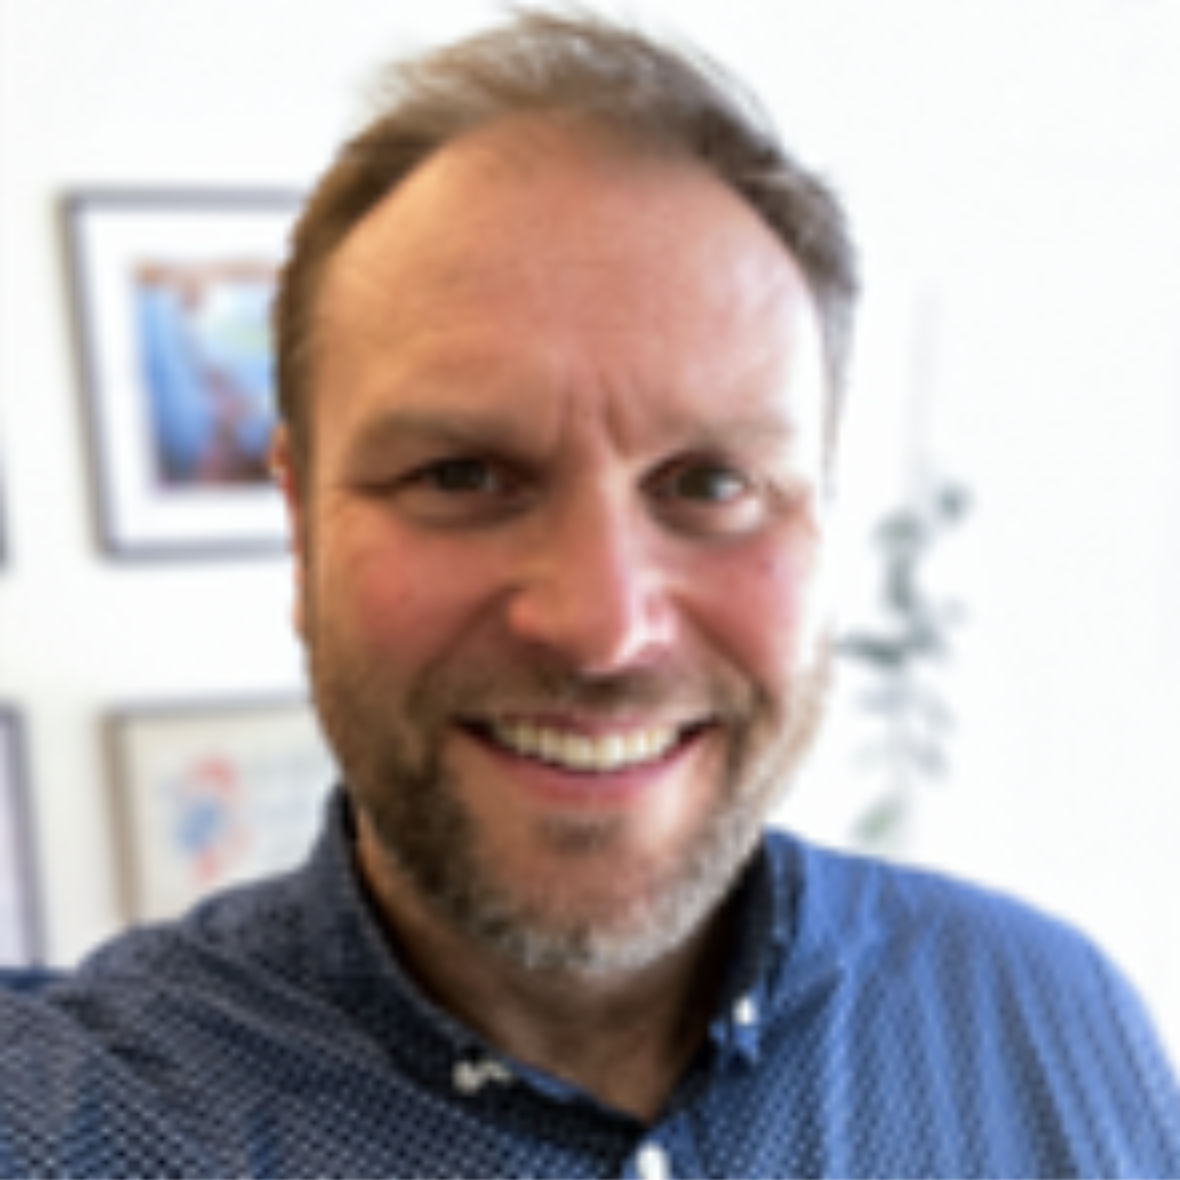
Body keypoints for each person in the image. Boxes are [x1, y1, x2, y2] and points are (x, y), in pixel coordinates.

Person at [3, 9, 1178, 1177]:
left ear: (819, 519)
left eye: (710, 481)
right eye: (462, 474)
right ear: (300, 522)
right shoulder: (56, 1130)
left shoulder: (1052, 1021)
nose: (603, 626)